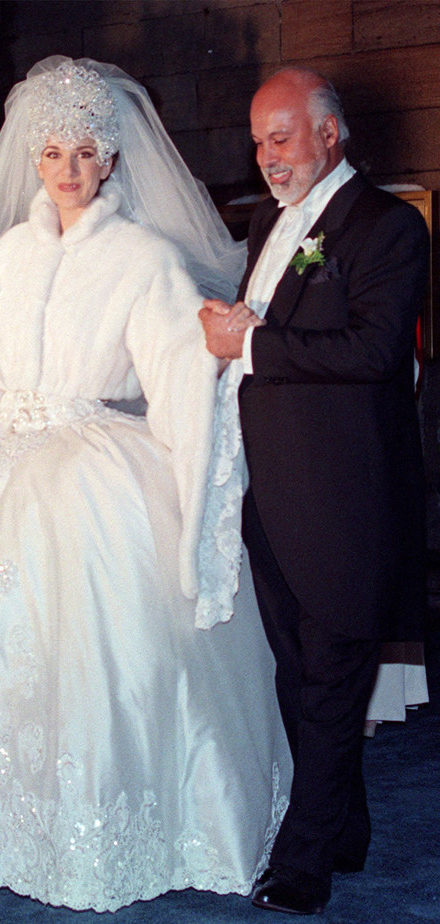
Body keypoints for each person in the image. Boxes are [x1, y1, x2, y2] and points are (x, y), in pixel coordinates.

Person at [0, 60, 291, 912]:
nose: (68, 168)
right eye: (53, 151)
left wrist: (192, 510)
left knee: (85, 651)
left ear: (110, 161)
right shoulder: (11, 252)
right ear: (34, 158)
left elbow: (177, 374)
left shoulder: (145, 260)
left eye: (86, 152)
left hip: (91, 459)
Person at [199, 67, 429, 915]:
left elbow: (373, 353)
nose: (267, 157)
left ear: (331, 134)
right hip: (270, 491)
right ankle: (346, 824)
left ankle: (303, 866)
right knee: (298, 675)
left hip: (345, 498)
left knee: (332, 677)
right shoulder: (268, 221)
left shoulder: (389, 226)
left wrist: (251, 344)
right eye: (258, 142)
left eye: (282, 137)